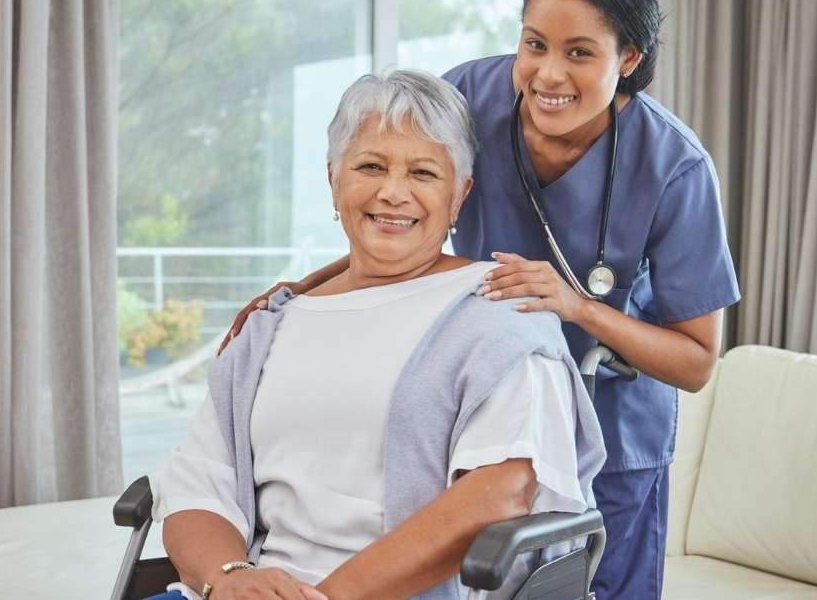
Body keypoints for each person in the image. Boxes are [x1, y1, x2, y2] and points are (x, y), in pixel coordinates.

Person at [221, 0, 740, 597]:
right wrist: (302, 291)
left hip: (614, 429)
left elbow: (696, 362)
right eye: (534, 44)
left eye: (579, 52)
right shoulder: (470, 95)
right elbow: (404, 213)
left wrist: (578, 308)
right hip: (481, 404)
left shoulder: (674, 166)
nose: (548, 75)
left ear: (627, 59)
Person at [150, 70, 605, 600]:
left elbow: (499, 494)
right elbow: (198, 483)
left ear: (460, 194)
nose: (393, 193)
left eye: (423, 173)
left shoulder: (501, 316)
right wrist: (229, 578)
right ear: (333, 179)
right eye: (371, 166)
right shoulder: (270, 327)